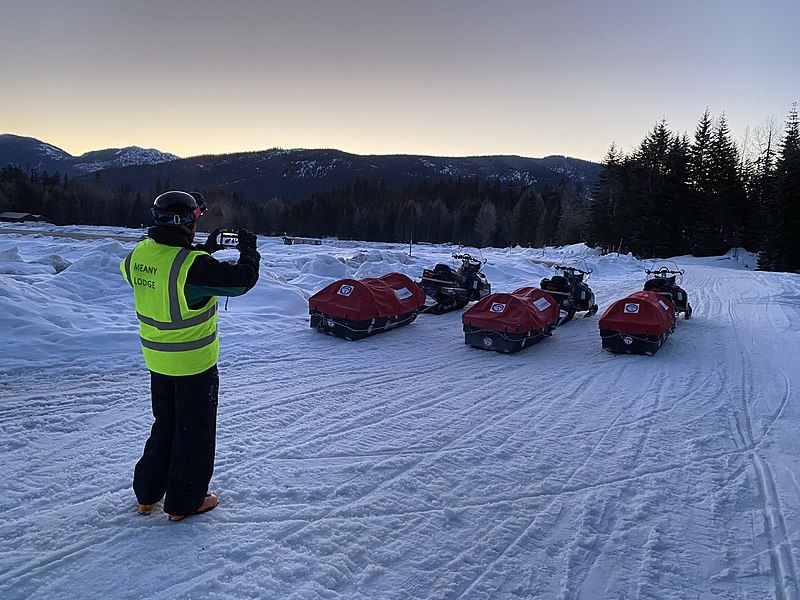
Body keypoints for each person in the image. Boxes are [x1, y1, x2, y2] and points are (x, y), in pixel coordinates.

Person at [120, 191, 260, 522]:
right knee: (194, 432)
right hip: (194, 365)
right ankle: (186, 502)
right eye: (194, 220)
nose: (197, 226)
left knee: (165, 425)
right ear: (185, 224)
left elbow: (166, 270)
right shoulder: (192, 266)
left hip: (157, 362)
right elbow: (241, 282)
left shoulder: (140, 255)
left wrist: (204, 252)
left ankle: (147, 495)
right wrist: (249, 251)